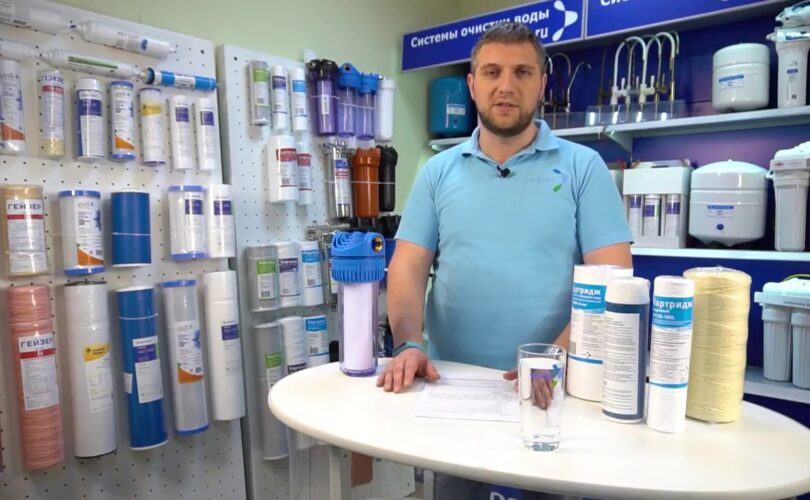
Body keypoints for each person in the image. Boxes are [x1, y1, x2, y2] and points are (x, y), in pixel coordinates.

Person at [377, 21, 632, 498]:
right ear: (472, 85)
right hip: (454, 388)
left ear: (542, 83)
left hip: (554, 387)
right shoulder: (437, 172)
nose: (506, 85)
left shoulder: (583, 168)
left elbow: (612, 278)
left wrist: (557, 359)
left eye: (522, 72)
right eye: (492, 72)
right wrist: (408, 343)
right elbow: (408, 266)